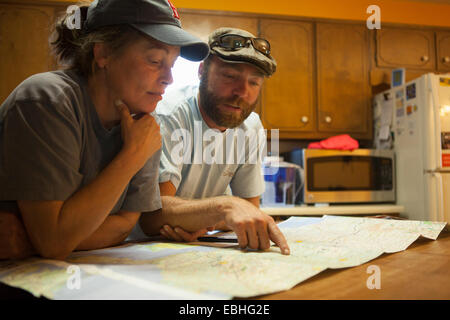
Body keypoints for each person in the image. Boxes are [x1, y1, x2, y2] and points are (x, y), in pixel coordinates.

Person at [0, 0, 209, 260]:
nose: (169, 78)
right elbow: (53, 242)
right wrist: (132, 154)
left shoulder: (144, 122)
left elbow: (124, 226)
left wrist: (37, 239)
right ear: (103, 54)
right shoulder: (47, 100)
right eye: (155, 60)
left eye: (172, 64)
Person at [139, 28, 291, 255]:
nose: (242, 92)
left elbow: (250, 210)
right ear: (202, 71)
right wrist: (225, 207)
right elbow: (154, 215)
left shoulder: (251, 127)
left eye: (254, 82)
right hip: (140, 252)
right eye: (230, 76)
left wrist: (200, 221)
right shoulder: (169, 115)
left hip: (194, 248)